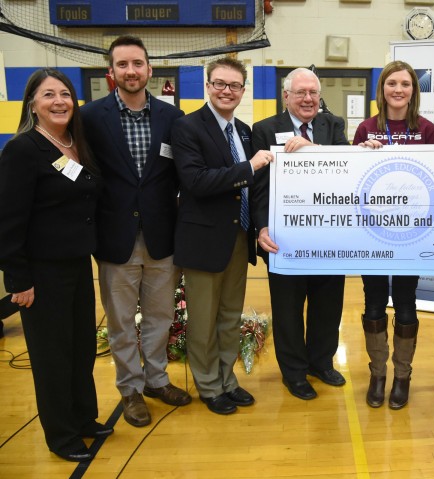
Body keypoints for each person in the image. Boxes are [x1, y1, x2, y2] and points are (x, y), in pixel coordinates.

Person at [82, 35, 190, 427]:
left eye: (138, 64)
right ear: (111, 72)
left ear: (149, 69)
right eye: (122, 65)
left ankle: (156, 381)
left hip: (163, 237)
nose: (131, 71)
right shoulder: (91, 117)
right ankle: (130, 389)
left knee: (161, 318)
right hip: (115, 238)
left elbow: (181, 175)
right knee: (122, 322)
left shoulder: (171, 118)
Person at [0, 68, 107, 461]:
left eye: (65, 94)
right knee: (51, 358)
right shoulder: (23, 150)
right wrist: (18, 279)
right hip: (41, 275)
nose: (59, 101)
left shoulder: (75, 145)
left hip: (78, 266)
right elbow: (8, 221)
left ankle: (83, 419)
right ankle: (61, 436)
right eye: (49, 95)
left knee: (80, 349)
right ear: (33, 104)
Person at [172, 58, 272, 415]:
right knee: (203, 319)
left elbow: (257, 185)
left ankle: (228, 380)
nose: (227, 91)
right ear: (208, 86)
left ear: (243, 91)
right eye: (220, 84)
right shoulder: (186, 128)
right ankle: (209, 386)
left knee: (230, 316)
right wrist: (249, 167)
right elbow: (196, 182)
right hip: (203, 241)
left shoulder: (245, 130)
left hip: (238, 238)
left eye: (234, 86)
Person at [251, 67, 348, 400]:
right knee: (288, 309)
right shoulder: (264, 130)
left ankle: (321, 362)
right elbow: (259, 187)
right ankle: (293, 372)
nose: (308, 99)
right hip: (285, 240)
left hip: (330, 237)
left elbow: (346, 174)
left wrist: (312, 149)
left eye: (314, 93)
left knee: (328, 305)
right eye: (301, 92)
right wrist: (261, 225)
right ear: (286, 96)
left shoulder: (333, 126)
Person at [353, 60, 434, 410]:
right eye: (392, 83)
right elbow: (352, 180)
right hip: (373, 233)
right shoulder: (366, 128)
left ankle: (402, 375)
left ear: (413, 91)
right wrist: (362, 154)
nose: (398, 90)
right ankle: (378, 374)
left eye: (405, 84)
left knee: (405, 302)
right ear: (382, 89)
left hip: (411, 234)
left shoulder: (427, 129)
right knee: (373, 301)